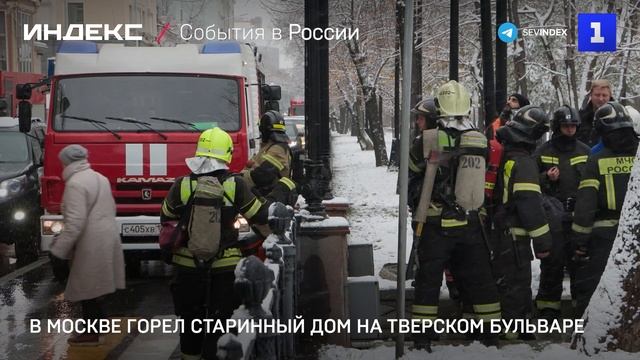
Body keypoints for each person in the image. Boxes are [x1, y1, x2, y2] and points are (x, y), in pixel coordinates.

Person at [161, 127, 294, 360]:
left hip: (187, 269)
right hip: (224, 267)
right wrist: (283, 190)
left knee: (190, 325)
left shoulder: (181, 185)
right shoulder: (235, 184)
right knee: (220, 324)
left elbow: (166, 217)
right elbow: (260, 215)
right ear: (227, 154)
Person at [410, 81, 501, 351]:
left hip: (436, 222)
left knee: (428, 279)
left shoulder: (426, 140)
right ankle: (488, 336)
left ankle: (423, 337)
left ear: (438, 107)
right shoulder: (479, 138)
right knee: (479, 278)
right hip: (470, 221)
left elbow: (412, 174)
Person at [49, 144, 125, 346]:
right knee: (97, 286)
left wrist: (59, 250)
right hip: (107, 237)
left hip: (89, 241)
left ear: (66, 162)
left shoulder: (75, 183)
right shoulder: (100, 178)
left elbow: (75, 222)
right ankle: (99, 327)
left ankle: (91, 333)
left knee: (87, 287)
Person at [571, 102, 639, 317]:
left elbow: (586, 205)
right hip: (636, 233)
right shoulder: (638, 158)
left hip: (604, 237)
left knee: (595, 287)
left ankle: (586, 332)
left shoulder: (596, 160)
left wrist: (580, 241)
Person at [493, 105, 552, 340]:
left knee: (504, 282)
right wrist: (544, 242)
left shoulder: (507, 153)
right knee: (517, 285)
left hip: (500, 231)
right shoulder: (524, 161)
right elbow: (529, 204)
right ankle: (516, 334)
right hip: (514, 236)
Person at [533, 106, 590, 319]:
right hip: (552, 214)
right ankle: (549, 307)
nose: (570, 130)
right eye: (566, 126)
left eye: (573, 126)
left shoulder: (585, 151)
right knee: (553, 261)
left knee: (579, 261)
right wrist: (546, 177)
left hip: (578, 214)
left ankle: (580, 305)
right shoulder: (544, 151)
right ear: (558, 127)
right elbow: (530, 181)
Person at [243, 110, 294, 199]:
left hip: (269, 198)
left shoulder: (278, 149)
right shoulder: (269, 147)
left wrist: (240, 180)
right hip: (264, 195)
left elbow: (263, 175)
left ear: (264, 130)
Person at [578, 79, 613, 147]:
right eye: (597, 95)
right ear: (591, 95)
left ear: (610, 96)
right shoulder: (580, 118)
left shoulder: (620, 118)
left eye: (604, 95)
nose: (600, 99)